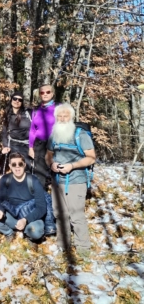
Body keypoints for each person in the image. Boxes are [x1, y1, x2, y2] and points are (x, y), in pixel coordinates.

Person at [46, 103, 96, 256]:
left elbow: (91, 158)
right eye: (59, 116)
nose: (62, 119)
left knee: (76, 215)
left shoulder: (81, 135)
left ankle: (83, 249)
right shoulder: (54, 134)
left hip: (76, 180)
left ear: (72, 117)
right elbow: (48, 155)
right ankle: (63, 245)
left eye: (65, 116)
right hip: (57, 180)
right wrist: (52, 164)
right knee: (59, 214)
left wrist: (72, 166)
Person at [0, 153, 47, 249]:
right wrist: (0, 209)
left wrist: (25, 220)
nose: (17, 167)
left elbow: (42, 208)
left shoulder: (34, 181)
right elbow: (1, 199)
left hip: (30, 217)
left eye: (20, 164)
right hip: (13, 215)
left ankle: (29, 236)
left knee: (37, 232)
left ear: (24, 165)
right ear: (10, 166)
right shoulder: (5, 179)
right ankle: (10, 233)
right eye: (14, 164)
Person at [28, 84, 57, 189]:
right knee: (39, 173)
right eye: (42, 92)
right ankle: (40, 195)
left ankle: (56, 196)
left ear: (52, 93)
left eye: (48, 92)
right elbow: (33, 130)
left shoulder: (59, 108)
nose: (45, 94)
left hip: (55, 144)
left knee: (55, 171)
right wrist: (31, 147)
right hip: (39, 144)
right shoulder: (36, 110)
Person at [1, 91, 32, 170]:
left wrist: (33, 146)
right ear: (11, 100)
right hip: (13, 145)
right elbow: (4, 132)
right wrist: (5, 146)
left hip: (27, 145)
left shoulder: (28, 113)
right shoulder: (7, 113)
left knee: (26, 167)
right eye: (15, 99)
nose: (17, 101)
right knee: (16, 167)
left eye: (20, 100)